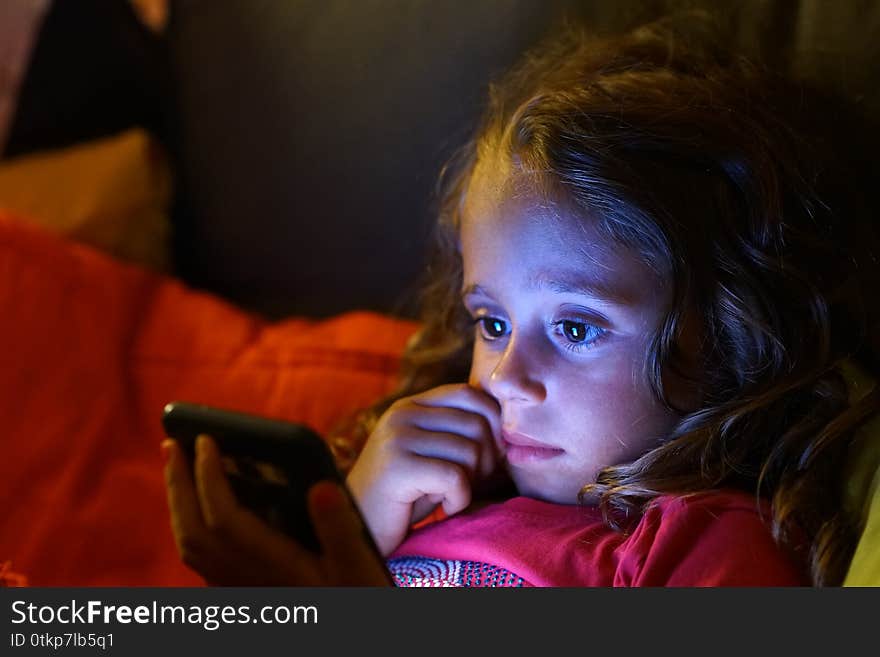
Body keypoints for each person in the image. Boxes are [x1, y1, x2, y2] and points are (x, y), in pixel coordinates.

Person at [162, 14, 880, 587]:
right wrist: (344, 524)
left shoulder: (705, 542)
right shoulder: (420, 492)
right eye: (493, 321)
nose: (505, 376)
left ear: (725, 341)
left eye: (575, 326)